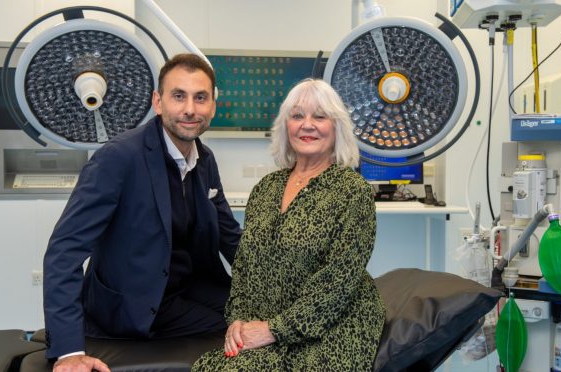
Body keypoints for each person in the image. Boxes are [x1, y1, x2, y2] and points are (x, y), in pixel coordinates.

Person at [44, 53, 241, 371]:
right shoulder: (118, 158)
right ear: (158, 102)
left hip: (185, 291)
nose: (190, 109)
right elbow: (63, 252)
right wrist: (68, 352)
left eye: (200, 98)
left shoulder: (205, 160)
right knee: (242, 335)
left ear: (212, 107)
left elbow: (232, 238)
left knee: (264, 320)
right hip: (130, 305)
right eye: (179, 96)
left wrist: (278, 283)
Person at [193, 79, 385, 371]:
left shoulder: (352, 191)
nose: (307, 125)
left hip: (329, 325)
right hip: (270, 321)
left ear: (337, 129)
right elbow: (245, 267)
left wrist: (272, 330)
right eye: (297, 116)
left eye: (319, 116)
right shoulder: (266, 188)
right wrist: (238, 322)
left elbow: (338, 282)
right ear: (285, 127)